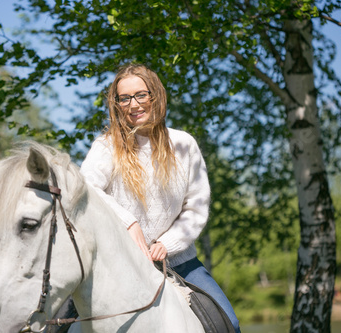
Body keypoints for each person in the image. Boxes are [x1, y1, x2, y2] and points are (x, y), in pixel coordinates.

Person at [80, 63, 241, 332]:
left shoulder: (183, 144)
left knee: (229, 323)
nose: (134, 104)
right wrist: (129, 223)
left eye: (141, 95)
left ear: (155, 95)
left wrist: (167, 244)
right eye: (125, 98)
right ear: (116, 103)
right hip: (117, 262)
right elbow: (85, 188)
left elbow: (196, 207)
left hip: (180, 263)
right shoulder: (106, 146)